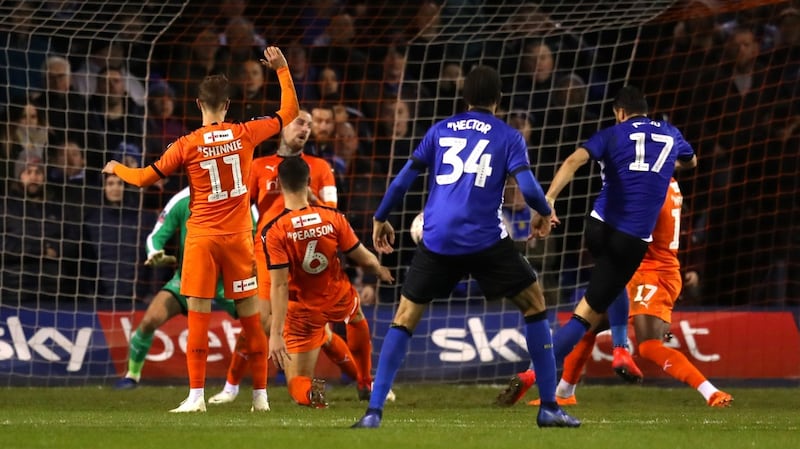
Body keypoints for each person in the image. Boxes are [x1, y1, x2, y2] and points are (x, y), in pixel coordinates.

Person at [351, 66, 580, 429]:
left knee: (405, 316)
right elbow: (532, 190)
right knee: (535, 304)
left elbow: (401, 182)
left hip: (437, 239)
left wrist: (380, 218)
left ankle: (373, 412)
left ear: (466, 98)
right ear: (499, 101)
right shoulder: (509, 135)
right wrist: (544, 212)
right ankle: (549, 407)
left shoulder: (440, 130)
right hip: (486, 240)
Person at [102, 46, 298, 413]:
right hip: (239, 240)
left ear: (197, 104)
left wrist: (117, 168)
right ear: (226, 105)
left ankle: (195, 398)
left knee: (199, 318)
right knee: (251, 322)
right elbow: (289, 113)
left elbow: (144, 179)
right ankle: (261, 397)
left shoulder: (186, 144)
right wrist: (282, 70)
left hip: (203, 240)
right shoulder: (245, 133)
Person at [499, 180, 733, 408]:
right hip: (634, 268)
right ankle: (564, 392)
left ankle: (711, 393)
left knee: (648, 345)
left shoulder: (650, 187)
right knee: (587, 325)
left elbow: (630, 232)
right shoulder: (663, 181)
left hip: (655, 273)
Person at [538, 86, 697, 384]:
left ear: (620, 113)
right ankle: (616, 350)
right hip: (632, 239)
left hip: (597, 227)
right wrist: (667, 163)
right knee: (591, 308)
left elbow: (574, 161)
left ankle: (562, 385)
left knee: (602, 295)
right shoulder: (670, 133)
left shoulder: (612, 133)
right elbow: (691, 161)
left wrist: (548, 200)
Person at [208, 110, 368, 404]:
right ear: (282, 128)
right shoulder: (257, 166)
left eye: (309, 125)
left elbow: (331, 214)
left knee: (312, 329)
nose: (305, 128)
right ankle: (231, 387)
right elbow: (241, 210)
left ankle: (362, 380)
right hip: (268, 255)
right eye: (299, 122)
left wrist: (307, 196)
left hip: (309, 261)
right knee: (259, 322)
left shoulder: (320, 168)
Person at [266, 156, 394, 408]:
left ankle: (312, 395)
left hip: (304, 310)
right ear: (310, 182)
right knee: (355, 317)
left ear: (279, 185)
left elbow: (279, 285)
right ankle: (365, 380)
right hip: (338, 294)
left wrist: (276, 333)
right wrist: (380, 271)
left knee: (296, 380)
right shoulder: (332, 217)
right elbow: (364, 260)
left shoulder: (275, 230)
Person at [112, 186, 246, 393]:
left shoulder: (235, 195)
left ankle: (271, 375)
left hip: (227, 279)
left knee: (262, 324)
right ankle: (132, 375)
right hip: (189, 277)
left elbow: (255, 233)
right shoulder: (182, 199)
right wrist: (155, 252)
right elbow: (155, 236)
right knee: (149, 321)